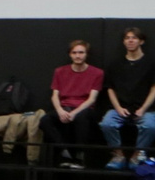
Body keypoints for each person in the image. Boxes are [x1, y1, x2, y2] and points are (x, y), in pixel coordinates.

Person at [101, 27, 155, 166]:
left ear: (141, 41)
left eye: (134, 38)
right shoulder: (115, 64)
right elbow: (110, 88)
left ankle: (137, 155)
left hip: (145, 109)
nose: (130, 41)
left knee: (150, 126)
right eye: (127, 38)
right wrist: (118, 108)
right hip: (121, 108)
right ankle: (118, 155)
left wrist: (143, 109)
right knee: (107, 123)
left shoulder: (151, 63)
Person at [45, 41, 101, 170]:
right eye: (74, 52)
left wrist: (74, 113)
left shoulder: (97, 73)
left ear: (86, 54)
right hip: (64, 107)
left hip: (84, 109)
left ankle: (80, 156)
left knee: (82, 117)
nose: (78, 56)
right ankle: (65, 153)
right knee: (45, 120)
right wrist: (59, 110)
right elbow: (55, 95)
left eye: (81, 52)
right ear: (70, 55)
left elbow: (92, 99)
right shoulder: (60, 71)